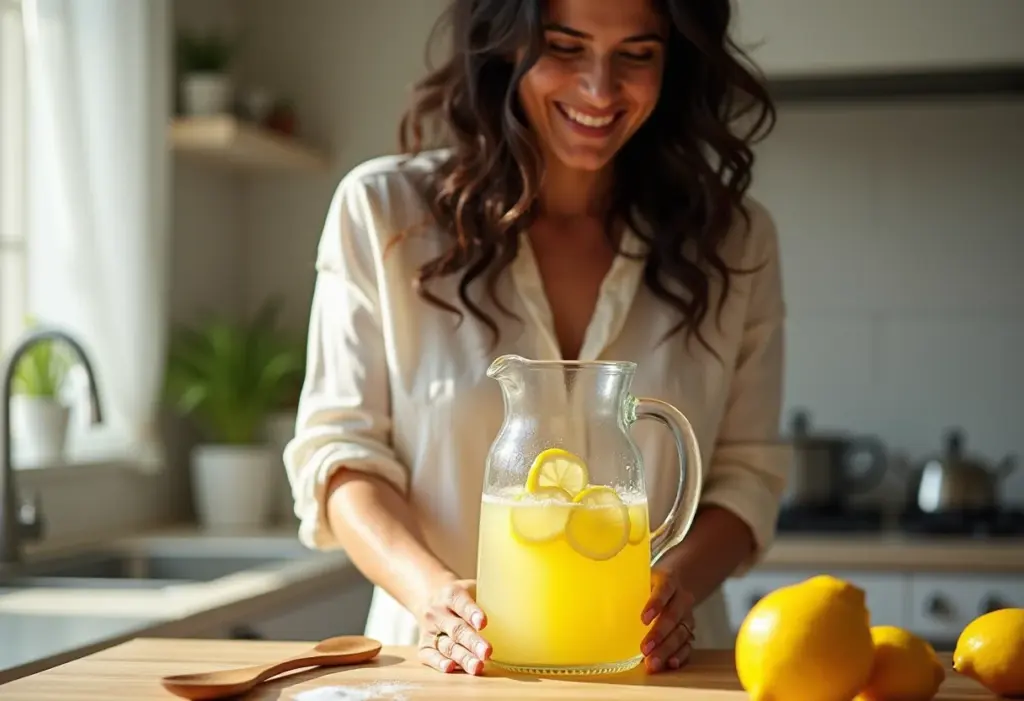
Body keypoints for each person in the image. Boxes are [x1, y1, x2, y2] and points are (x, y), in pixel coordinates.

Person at [284, 0, 788, 678]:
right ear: (504, 46)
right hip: (447, 669)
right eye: (565, 46)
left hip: (650, 668)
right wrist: (434, 594)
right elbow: (340, 453)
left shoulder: (735, 240)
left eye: (637, 54)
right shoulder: (383, 212)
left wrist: (677, 586)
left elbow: (746, 474)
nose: (600, 89)